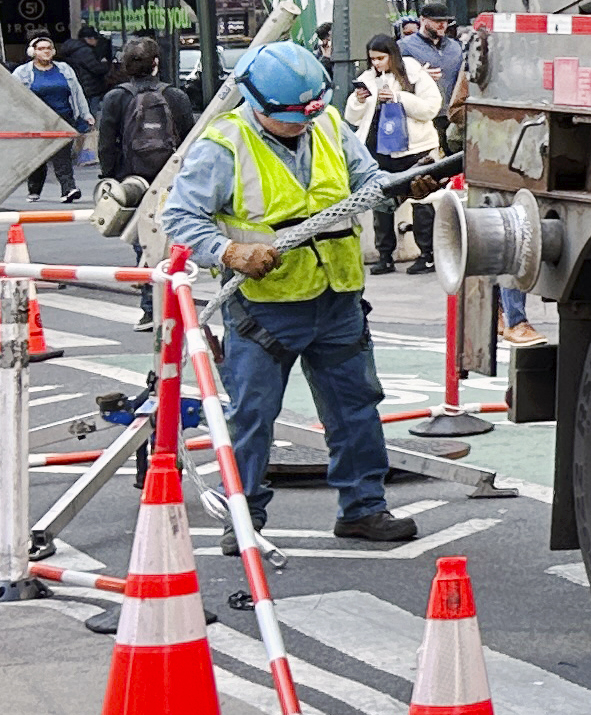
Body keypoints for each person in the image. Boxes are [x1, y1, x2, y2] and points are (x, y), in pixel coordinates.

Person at [157, 42, 416, 547]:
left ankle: (363, 508)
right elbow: (180, 220)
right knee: (252, 416)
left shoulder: (327, 124)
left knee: (356, 408)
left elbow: (367, 181)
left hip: (336, 297)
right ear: (253, 102)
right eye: (290, 117)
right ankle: (244, 516)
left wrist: (404, 185)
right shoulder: (222, 145)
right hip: (265, 309)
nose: (302, 124)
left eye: (309, 112)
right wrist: (230, 252)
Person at [346, 34, 443, 272]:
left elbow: (431, 108)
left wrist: (399, 97)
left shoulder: (414, 73)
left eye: (380, 58)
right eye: (372, 59)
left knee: (422, 200)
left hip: (415, 149)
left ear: (392, 55)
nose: (376, 64)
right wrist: (359, 100)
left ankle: (427, 254)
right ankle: (384, 256)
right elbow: (352, 117)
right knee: (380, 204)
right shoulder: (367, 79)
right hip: (379, 150)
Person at [97, 43, 191, 186]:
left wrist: (109, 176)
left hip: (129, 178)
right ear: (156, 62)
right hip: (171, 176)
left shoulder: (115, 97)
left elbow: (106, 145)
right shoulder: (176, 96)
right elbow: (190, 140)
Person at [21, 31, 96, 192]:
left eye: (49, 48)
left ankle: (68, 188)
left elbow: (77, 92)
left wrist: (86, 114)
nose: (46, 51)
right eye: (41, 48)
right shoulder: (23, 72)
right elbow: (12, 94)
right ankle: (34, 187)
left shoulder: (64, 69)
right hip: (37, 121)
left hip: (63, 118)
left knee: (62, 156)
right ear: (32, 52)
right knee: (38, 158)